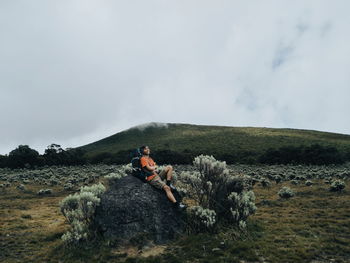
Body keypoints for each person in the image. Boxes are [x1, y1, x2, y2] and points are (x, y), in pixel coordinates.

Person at [139, 145, 186, 210]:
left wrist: (154, 168)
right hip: (152, 178)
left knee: (169, 167)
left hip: (157, 175)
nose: (148, 149)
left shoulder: (150, 159)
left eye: (148, 148)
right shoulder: (143, 159)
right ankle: (177, 205)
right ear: (142, 151)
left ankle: (168, 183)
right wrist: (153, 168)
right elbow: (149, 168)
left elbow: (155, 167)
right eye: (145, 149)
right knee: (166, 188)